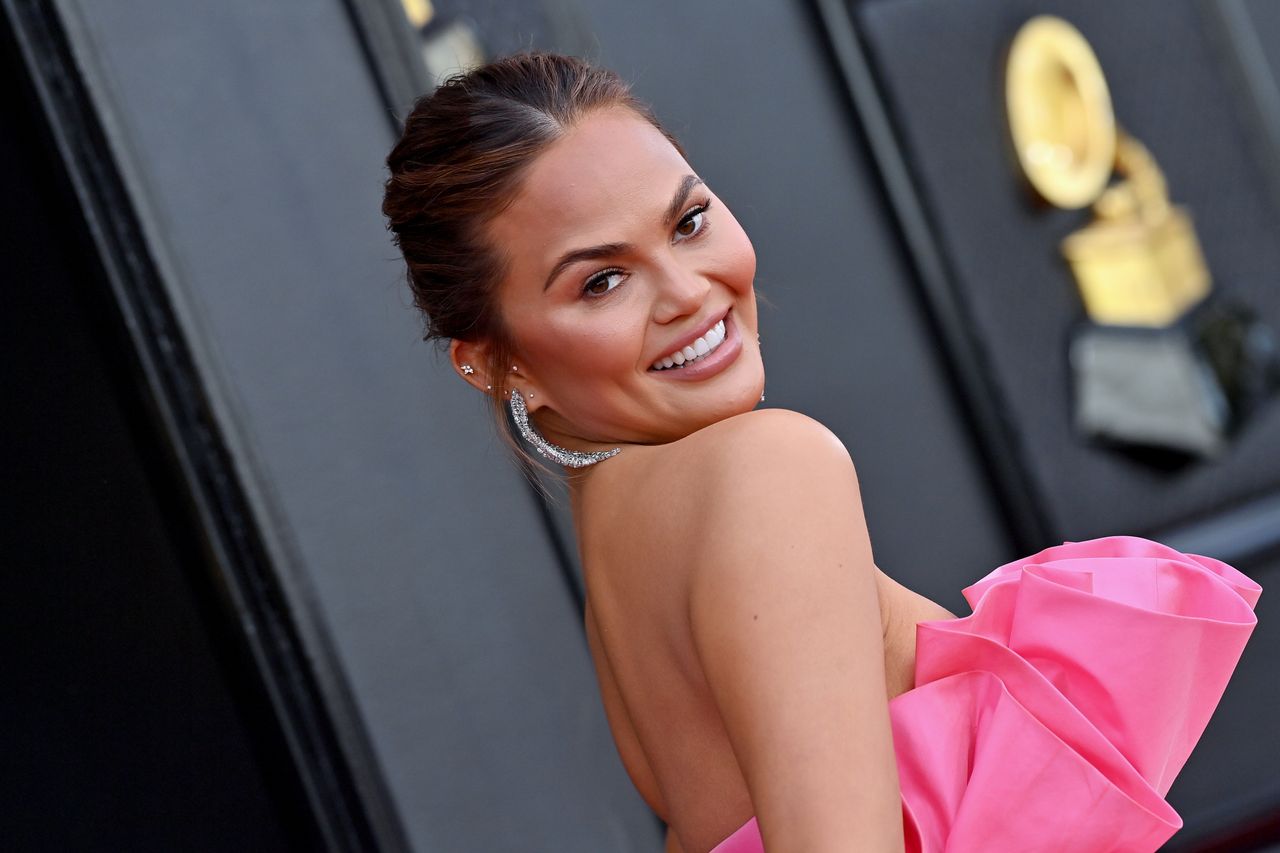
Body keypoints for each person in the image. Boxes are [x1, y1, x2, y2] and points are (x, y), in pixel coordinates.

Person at [381, 52, 1262, 853]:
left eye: (688, 221)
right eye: (602, 280)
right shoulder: (768, 471)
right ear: (501, 363)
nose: (690, 292)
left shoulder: (622, 570)